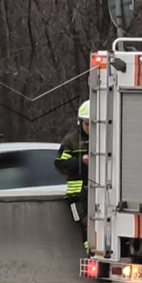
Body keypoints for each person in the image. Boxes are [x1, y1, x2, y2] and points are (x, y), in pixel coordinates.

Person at [57, 102, 89, 247]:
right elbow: (61, 165)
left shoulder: (105, 138)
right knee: (84, 223)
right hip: (77, 194)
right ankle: (91, 255)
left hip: (101, 194)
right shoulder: (71, 141)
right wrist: (81, 162)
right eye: (87, 123)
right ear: (80, 122)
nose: (89, 128)